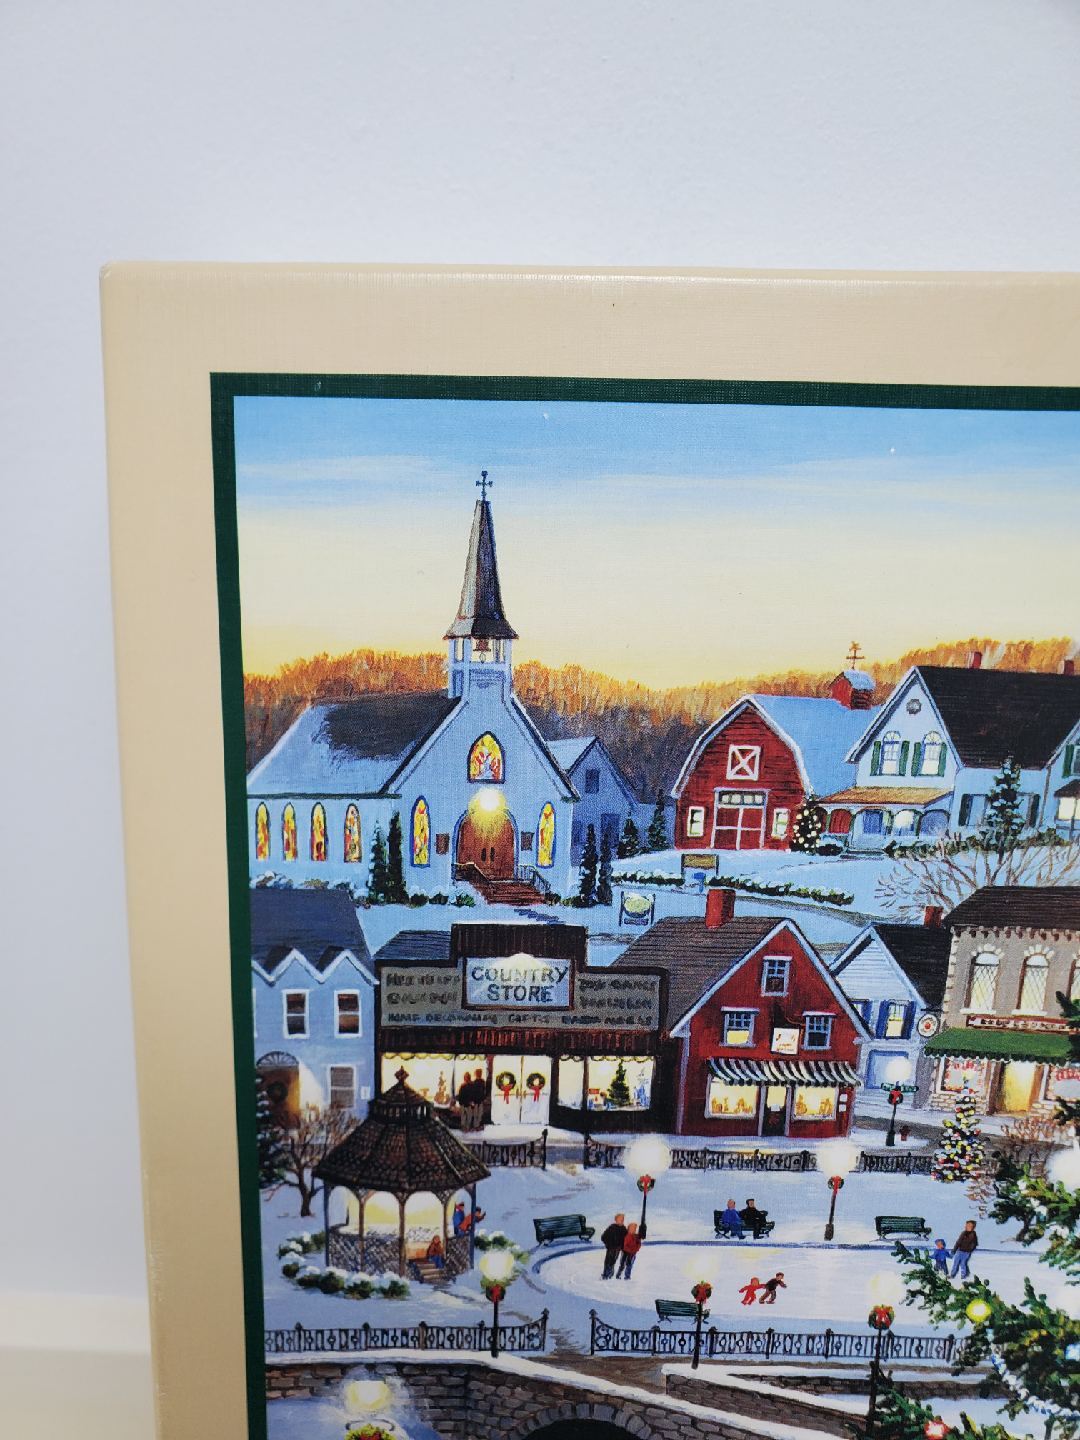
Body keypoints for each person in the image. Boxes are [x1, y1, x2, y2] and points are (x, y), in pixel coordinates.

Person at [601, 1213, 628, 1279]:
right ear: (616, 1219)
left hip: (617, 1248)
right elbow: (604, 1237)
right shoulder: (612, 1227)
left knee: (612, 1261)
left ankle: (609, 1274)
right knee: (607, 1261)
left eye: (622, 1219)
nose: (621, 1220)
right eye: (620, 1218)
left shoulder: (624, 1229)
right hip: (610, 1248)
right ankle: (606, 1274)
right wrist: (608, 1244)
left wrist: (622, 1246)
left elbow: (626, 1239)